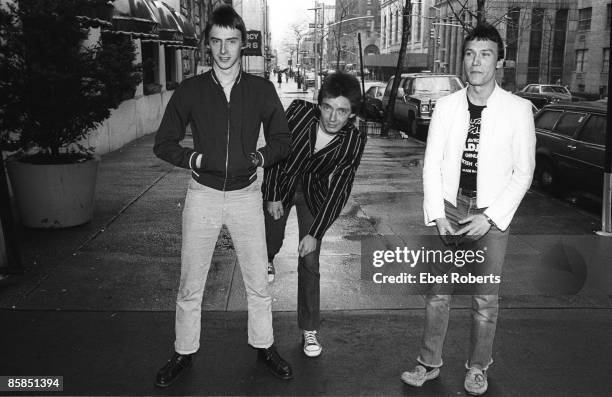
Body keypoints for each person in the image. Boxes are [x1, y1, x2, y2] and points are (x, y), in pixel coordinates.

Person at [152, 5, 293, 387]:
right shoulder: (191, 90)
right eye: (217, 42)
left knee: (258, 282)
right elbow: (163, 143)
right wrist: (194, 158)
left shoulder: (261, 90)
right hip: (203, 195)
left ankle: (264, 347)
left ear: (242, 43)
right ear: (207, 45)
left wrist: (260, 157)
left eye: (231, 41)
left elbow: (283, 139)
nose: (224, 50)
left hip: (247, 195)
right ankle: (183, 352)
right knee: (190, 282)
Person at [400, 23, 535, 395]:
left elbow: (524, 172)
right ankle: (429, 362)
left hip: (491, 215)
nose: (476, 61)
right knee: (437, 292)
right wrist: (439, 214)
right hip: (449, 208)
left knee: (485, 298)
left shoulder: (519, 110)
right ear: (463, 59)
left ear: (500, 62)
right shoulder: (445, 107)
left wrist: (490, 218)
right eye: (471, 53)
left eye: (486, 53)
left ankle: (478, 367)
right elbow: (431, 163)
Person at [262, 72, 367, 358]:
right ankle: (268, 259)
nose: (333, 117)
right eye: (328, 107)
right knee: (270, 243)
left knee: (310, 260)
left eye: (342, 111)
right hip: (282, 183)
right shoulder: (298, 112)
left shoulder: (353, 141)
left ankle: (309, 328)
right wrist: (271, 193)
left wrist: (315, 233)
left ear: (351, 114)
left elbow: (340, 189)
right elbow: (276, 151)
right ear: (319, 104)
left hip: (312, 195)